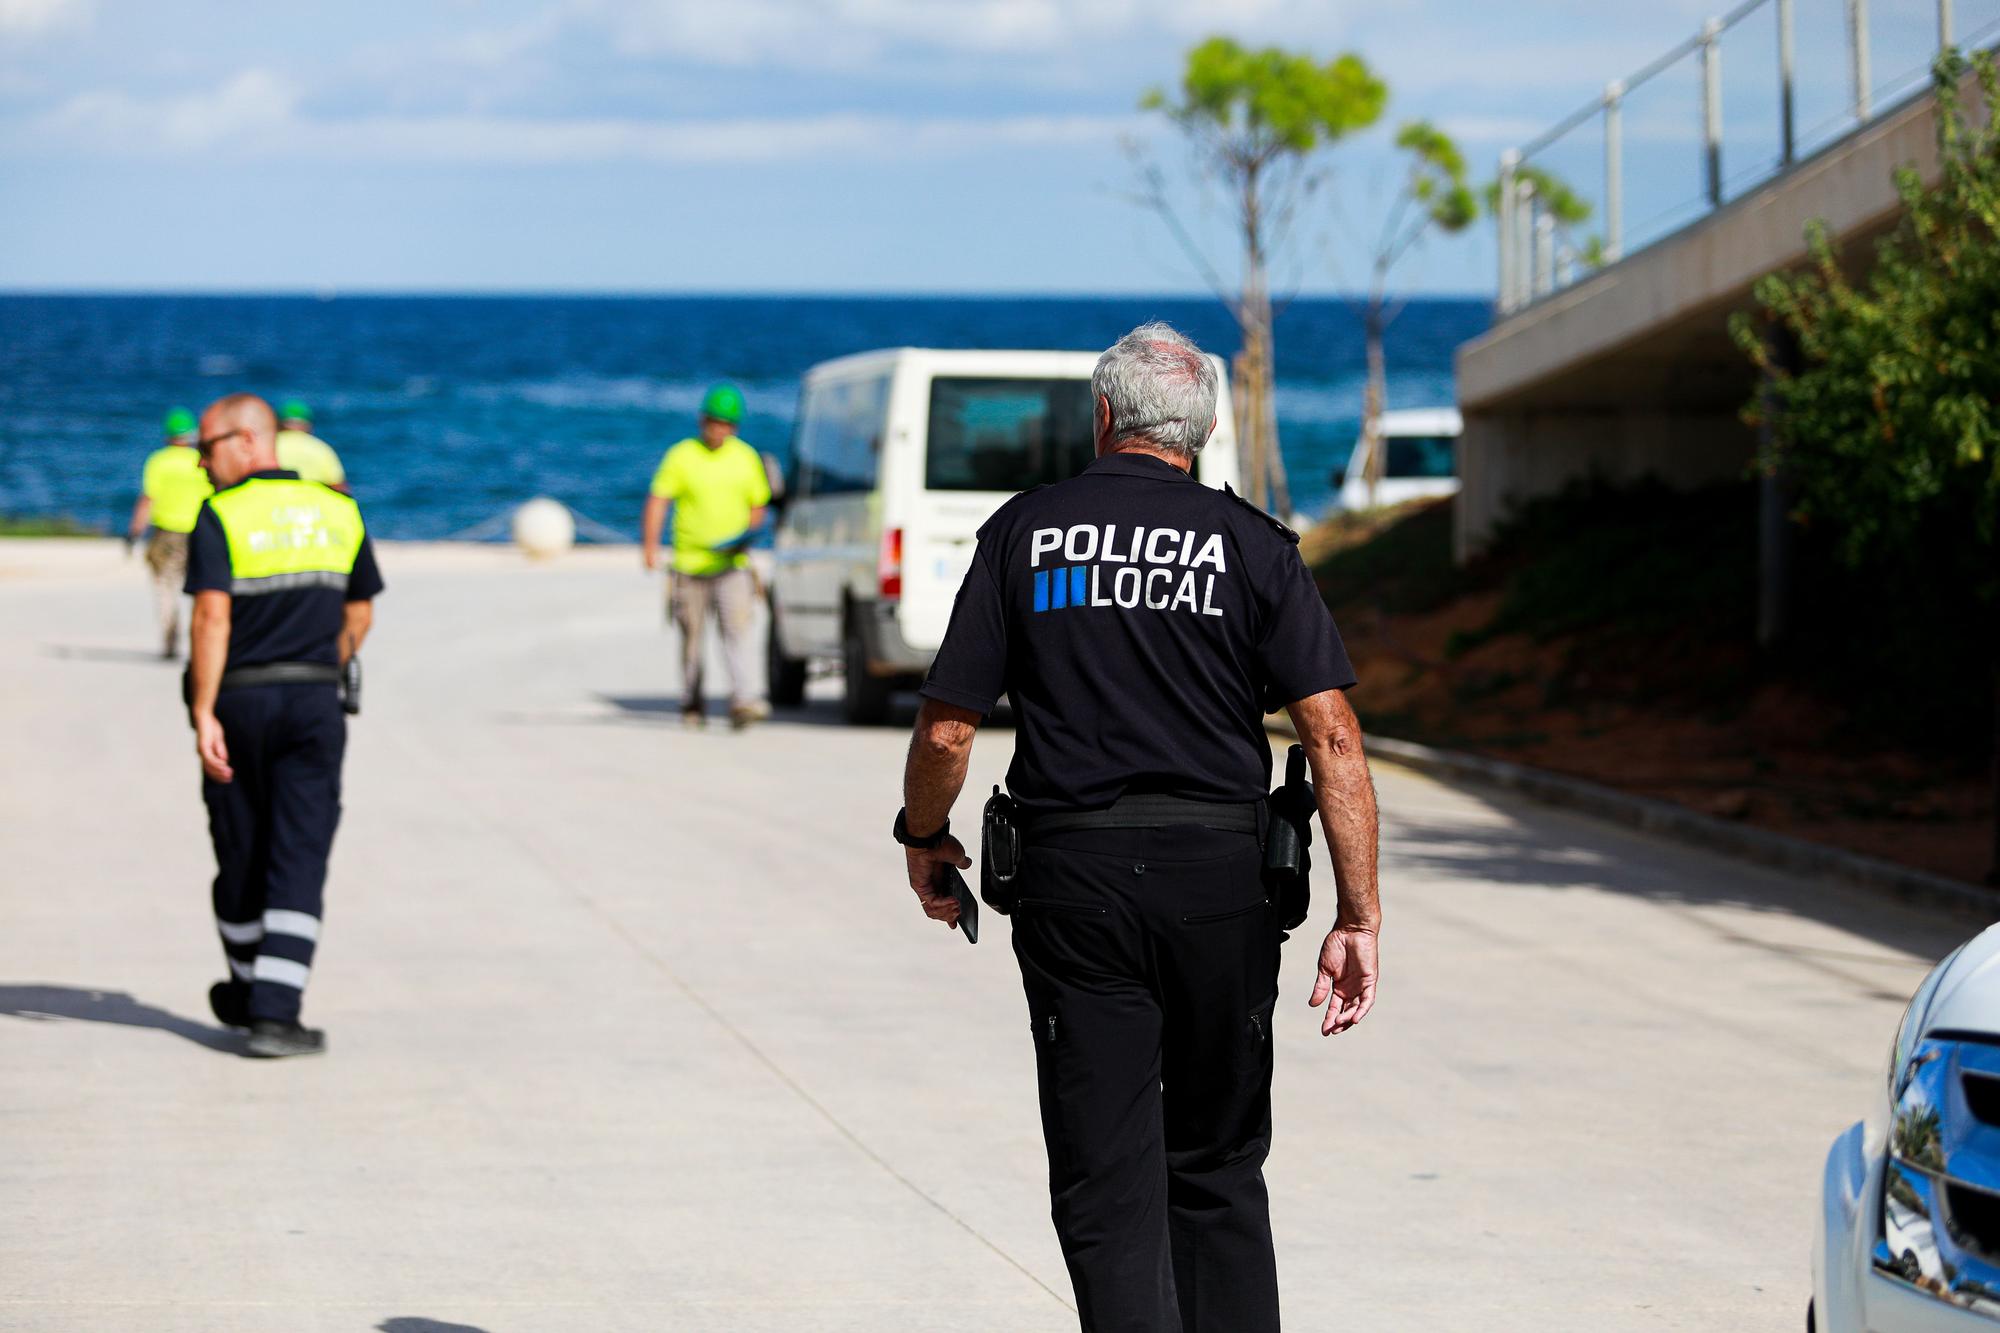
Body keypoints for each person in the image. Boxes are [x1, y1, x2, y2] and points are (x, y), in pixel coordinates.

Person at [894, 323, 1381, 1332]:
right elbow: (1331, 737)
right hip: (1222, 879)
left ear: (1103, 414)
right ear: (1198, 433)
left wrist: (923, 835)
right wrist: (1357, 913)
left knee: (1106, 1176)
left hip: (1077, 882)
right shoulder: (1251, 543)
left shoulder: (1024, 533)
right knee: (1215, 1168)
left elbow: (948, 725)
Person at [185, 393, 384, 1058]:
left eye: (207, 449)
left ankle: (254, 992)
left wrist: (203, 708)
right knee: (299, 851)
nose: (202, 465)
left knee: (239, 849)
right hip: (312, 700)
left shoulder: (221, 514)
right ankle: (271, 1007)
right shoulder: (340, 511)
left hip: (238, 700)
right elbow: (360, 614)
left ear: (246, 441)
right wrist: (326, 665)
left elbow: (212, 616)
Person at [640, 383, 772, 730]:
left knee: (737, 634)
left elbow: (758, 504)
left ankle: (742, 701)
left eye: (727, 423)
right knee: (692, 640)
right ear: (703, 421)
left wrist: (747, 537)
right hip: (689, 564)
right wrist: (650, 547)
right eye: (715, 421)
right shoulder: (682, 455)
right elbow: (659, 500)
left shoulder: (745, 458)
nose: (720, 429)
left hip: (732, 565)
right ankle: (692, 701)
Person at [127, 407, 214, 658]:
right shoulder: (202, 459)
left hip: (167, 533)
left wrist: (134, 532)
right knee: (202, 588)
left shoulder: (159, 461)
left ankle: (169, 633)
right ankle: (200, 635)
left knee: (165, 586)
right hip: (202, 531)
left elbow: (147, 499)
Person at [274, 399, 349, 492]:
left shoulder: (268, 447)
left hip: (270, 503)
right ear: (308, 424)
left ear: (276, 423)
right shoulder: (321, 448)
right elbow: (339, 487)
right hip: (314, 505)